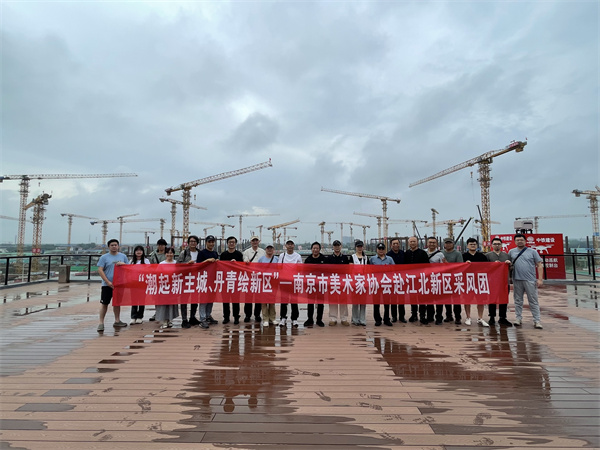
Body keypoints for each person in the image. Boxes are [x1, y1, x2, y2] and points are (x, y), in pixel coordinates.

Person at [509, 233, 543, 329]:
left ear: (525, 241)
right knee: (518, 300)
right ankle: (518, 318)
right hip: (517, 279)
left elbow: (539, 265)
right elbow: (508, 265)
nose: (520, 241)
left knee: (533, 301)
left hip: (530, 279)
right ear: (515, 241)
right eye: (517, 240)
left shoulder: (532, 252)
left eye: (521, 240)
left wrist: (540, 279)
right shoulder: (511, 252)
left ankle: (537, 320)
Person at [97, 239, 129, 332]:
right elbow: (100, 270)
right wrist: (107, 282)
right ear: (109, 247)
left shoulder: (123, 256)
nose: (114, 246)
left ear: (118, 246)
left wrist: (123, 264)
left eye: (115, 245)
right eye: (112, 245)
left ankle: (117, 320)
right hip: (107, 284)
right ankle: (101, 323)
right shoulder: (104, 257)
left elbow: (128, 268)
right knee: (104, 303)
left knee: (117, 303)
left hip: (119, 284)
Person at [462, 238, 490, 327]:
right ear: (467, 246)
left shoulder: (482, 256)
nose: (473, 246)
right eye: (471, 244)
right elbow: (458, 267)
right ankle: (468, 317)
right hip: (468, 281)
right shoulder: (463, 256)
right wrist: (464, 264)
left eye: (474, 244)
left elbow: (488, 267)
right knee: (467, 300)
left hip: (480, 281)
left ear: (477, 245)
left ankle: (480, 318)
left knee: (480, 300)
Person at [486, 237, 513, 327]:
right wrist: (493, 265)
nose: (497, 245)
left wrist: (509, 264)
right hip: (492, 282)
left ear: (501, 245)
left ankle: (503, 317)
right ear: (492, 245)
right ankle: (492, 317)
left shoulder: (506, 255)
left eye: (498, 244)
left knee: (503, 300)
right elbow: (484, 268)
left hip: (504, 281)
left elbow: (512, 268)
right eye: (495, 244)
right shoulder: (488, 255)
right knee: (492, 300)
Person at [404, 236, 430, 324]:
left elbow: (427, 266)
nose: (412, 243)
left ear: (417, 242)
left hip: (421, 279)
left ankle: (422, 316)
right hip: (410, 279)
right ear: (408, 243)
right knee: (413, 298)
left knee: (422, 298)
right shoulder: (406, 253)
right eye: (411, 242)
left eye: (414, 241)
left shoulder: (423, 253)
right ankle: (414, 315)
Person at [177, 235, 201, 328]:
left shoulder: (200, 253)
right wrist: (187, 264)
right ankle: (184, 319)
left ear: (197, 243)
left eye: (194, 241)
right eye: (191, 241)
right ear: (188, 243)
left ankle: (192, 317)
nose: (193, 243)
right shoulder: (184, 253)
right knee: (184, 299)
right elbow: (178, 265)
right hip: (186, 279)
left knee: (195, 299)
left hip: (196, 279)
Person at [278, 240, 302, 327]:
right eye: (288, 244)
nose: (290, 246)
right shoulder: (282, 255)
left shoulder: (298, 256)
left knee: (294, 300)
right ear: (286, 246)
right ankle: (283, 317)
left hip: (294, 281)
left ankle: (294, 318)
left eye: (291, 244)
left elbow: (300, 268)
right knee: (283, 300)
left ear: (294, 246)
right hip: (284, 281)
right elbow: (279, 267)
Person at [196, 235, 219, 329]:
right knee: (203, 300)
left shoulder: (215, 253)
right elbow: (198, 265)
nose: (211, 244)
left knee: (210, 299)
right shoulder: (201, 253)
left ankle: (208, 315)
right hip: (204, 279)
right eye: (209, 242)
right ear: (206, 243)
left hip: (213, 279)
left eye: (213, 242)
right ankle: (202, 319)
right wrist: (207, 261)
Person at [220, 236, 244, 324]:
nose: (231, 244)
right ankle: (226, 317)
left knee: (236, 300)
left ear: (235, 244)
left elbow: (242, 267)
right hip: (226, 281)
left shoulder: (239, 254)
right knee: (225, 300)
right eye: (230, 242)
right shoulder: (223, 255)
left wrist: (236, 263)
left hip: (236, 280)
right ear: (227, 243)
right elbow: (220, 267)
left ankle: (236, 316)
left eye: (233, 242)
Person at [370, 242, 394, 326]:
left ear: (385, 250)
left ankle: (386, 319)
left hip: (386, 283)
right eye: (379, 249)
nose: (381, 250)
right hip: (376, 284)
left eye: (382, 249)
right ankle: (377, 319)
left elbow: (394, 270)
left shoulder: (390, 259)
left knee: (387, 303)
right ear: (376, 250)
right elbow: (369, 270)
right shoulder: (372, 259)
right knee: (376, 303)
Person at [242, 236, 266, 322]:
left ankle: (257, 315)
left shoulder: (263, 252)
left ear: (259, 241)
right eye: (253, 240)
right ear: (250, 242)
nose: (255, 242)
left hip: (259, 278)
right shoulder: (246, 252)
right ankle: (247, 315)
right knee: (248, 297)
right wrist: (246, 261)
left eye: (256, 240)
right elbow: (245, 260)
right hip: (249, 277)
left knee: (258, 298)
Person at [327, 240, 350, 326]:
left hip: (342, 282)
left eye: (338, 246)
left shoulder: (345, 258)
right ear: (333, 247)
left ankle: (344, 318)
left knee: (343, 300)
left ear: (341, 247)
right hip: (332, 282)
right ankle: (333, 318)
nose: (337, 247)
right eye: (335, 246)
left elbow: (348, 270)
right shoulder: (329, 258)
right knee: (332, 300)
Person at [303, 241, 327, 327]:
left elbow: (328, 271)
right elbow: (304, 272)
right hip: (311, 284)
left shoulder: (324, 259)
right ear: (311, 249)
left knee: (320, 303)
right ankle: (310, 319)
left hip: (321, 284)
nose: (315, 250)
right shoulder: (308, 260)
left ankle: (319, 320)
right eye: (314, 248)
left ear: (319, 249)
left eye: (317, 248)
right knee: (310, 302)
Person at [441, 237, 463, 324]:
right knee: (447, 299)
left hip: (455, 279)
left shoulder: (457, 253)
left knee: (456, 299)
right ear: (444, 244)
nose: (448, 244)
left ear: (453, 244)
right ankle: (448, 315)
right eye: (446, 243)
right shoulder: (441, 253)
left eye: (450, 243)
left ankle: (458, 316)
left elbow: (460, 266)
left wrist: (447, 264)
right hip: (444, 279)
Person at [156, 247, 180, 329]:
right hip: (164, 287)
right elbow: (157, 275)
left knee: (171, 304)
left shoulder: (176, 263)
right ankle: (164, 320)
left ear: (174, 254)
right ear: (165, 254)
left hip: (173, 287)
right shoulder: (161, 264)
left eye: (171, 253)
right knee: (163, 304)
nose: (169, 254)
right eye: (168, 253)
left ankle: (170, 319)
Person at [426, 237, 447, 325]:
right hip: (426, 279)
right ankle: (430, 316)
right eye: (430, 242)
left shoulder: (440, 254)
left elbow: (445, 266)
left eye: (434, 242)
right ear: (427, 243)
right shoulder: (423, 252)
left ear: (437, 244)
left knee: (439, 299)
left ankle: (439, 317)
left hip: (437, 279)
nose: (432, 244)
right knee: (428, 299)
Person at [257, 244, 279, 326]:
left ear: (273, 250)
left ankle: (272, 318)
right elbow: (257, 270)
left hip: (273, 283)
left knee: (272, 302)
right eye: (268, 248)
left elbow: (280, 270)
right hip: (264, 283)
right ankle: (265, 319)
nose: (269, 250)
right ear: (265, 249)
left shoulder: (277, 259)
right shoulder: (261, 259)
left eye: (271, 248)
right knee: (264, 302)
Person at [147, 238, 168, 322]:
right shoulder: (153, 254)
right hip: (156, 278)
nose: (161, 246)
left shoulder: (168, 253)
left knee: (166, 296)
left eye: (162, 245)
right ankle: (157, 313)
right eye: (159, 245)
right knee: (156, 297)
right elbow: (150, 266)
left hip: (167, 278)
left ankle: (166, 314)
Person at [386, 238, 406, 323]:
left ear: (399, 244)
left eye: (397, 243)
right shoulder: (388, 255)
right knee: (393, 299)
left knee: (401, 299)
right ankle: (394, 316)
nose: (395, 245)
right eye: (393, 244)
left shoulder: (403, 254)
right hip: (392, 279)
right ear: (391, 245)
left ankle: (402, 316)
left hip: (402, 279)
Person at [129, 245, 150, 325]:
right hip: (133, 283)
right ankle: (133, 317)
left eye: (140, 250)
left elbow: (149, 271)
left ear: (143, 252)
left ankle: (140, 317)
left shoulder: (146, 261)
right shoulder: (131, 261)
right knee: (134, 300)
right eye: (137, 250)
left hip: (142, 283)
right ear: (134, 252)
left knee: (141, 300)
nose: (139, 252)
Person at [350, 240, 369, 326]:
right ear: (355, 247)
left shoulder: (366, 258)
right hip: (355, 281)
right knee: (355, 302)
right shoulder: (352, 257)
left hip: (364, 282)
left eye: (361, 246)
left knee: (363, 302)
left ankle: (362, 319)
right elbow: (350, 269)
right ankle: (354, 319)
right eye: (358, 246)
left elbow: (368, 269)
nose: (359, 248)